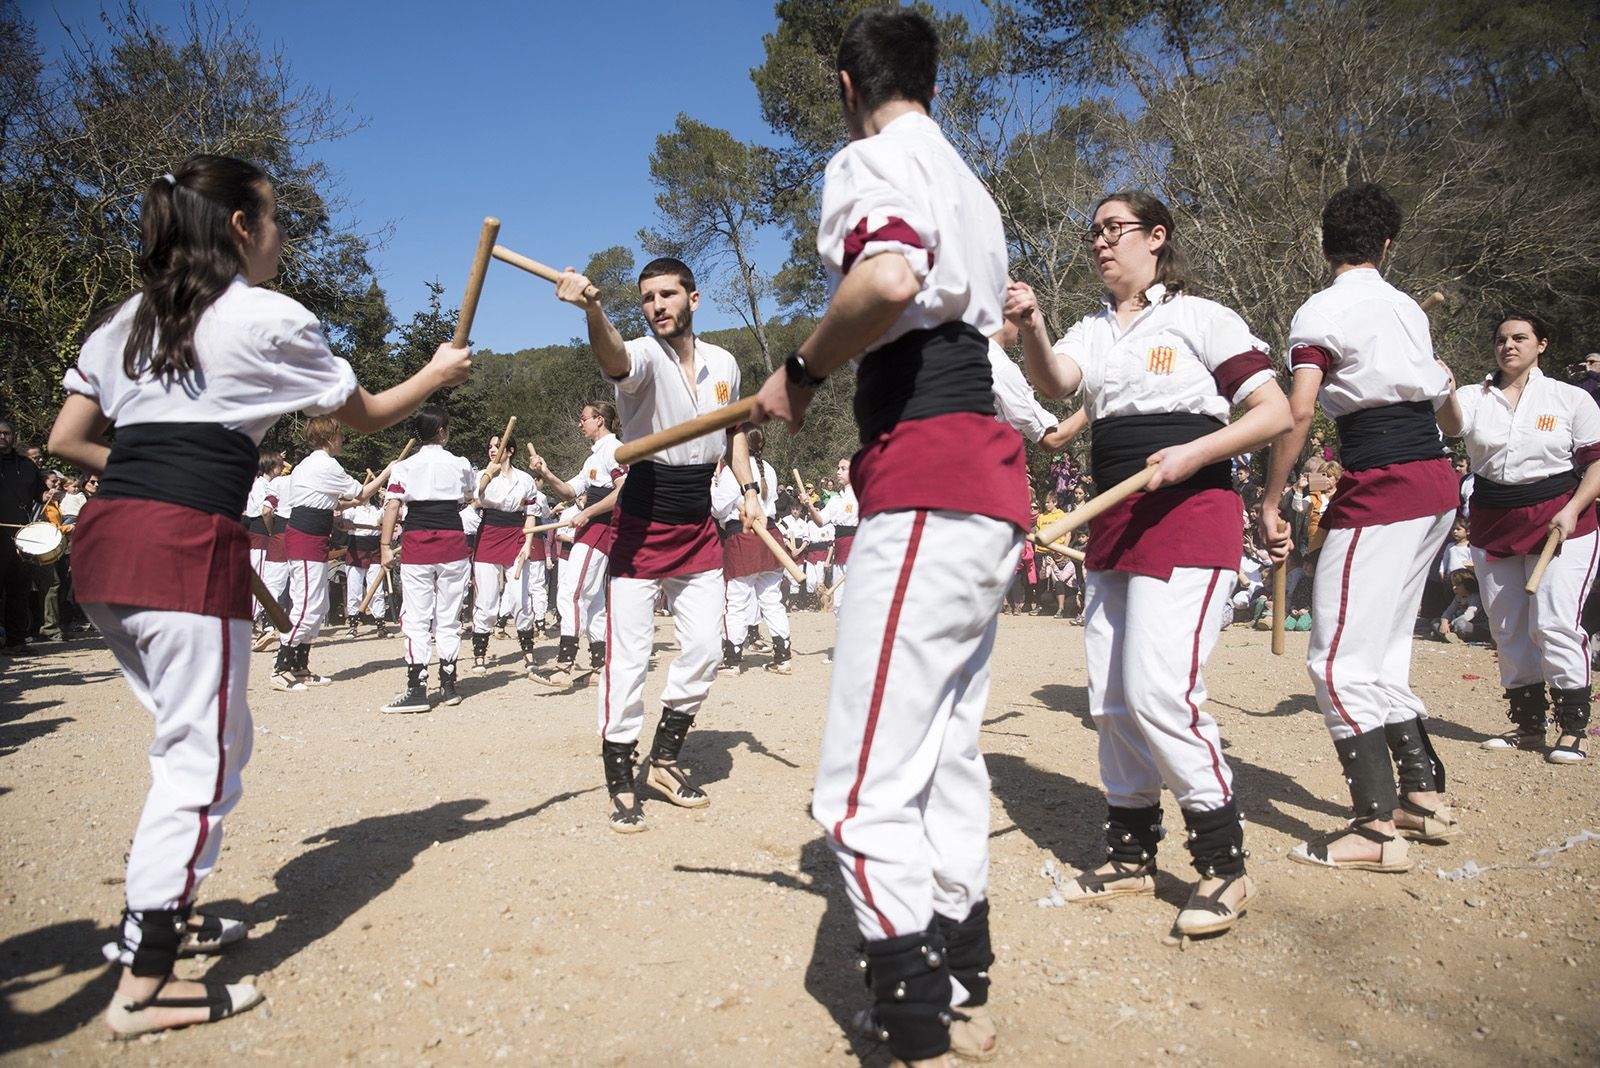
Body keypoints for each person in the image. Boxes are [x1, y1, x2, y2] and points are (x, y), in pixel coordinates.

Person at [45, 154, 469, 1037]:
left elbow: (66, 437)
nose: (281, 235)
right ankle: (146, 981)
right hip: (179, 548)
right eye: (274, 218)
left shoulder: (125, 320)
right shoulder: (268, 316)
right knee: (201, 760)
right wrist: (437, 373)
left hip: (107, 548)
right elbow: (365, 415)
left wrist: (150, 467)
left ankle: (169, 911)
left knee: (191, 741)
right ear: (240, 226)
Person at [750, 11, 1031, 1061]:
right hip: (980, 480)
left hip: (925, 470)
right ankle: (961, 964)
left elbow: (887, 278)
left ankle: (913, 1008)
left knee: (862, 780)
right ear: (933, 80)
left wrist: (803, 370)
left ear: (842, 84)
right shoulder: (969, 180)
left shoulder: (871, 155)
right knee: (945, 746)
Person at [1010, 189, 1289, 937]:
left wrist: (1195, 452)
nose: (1101, 242)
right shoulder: (1093, 329)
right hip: (1114, 523)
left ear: (1157, 236)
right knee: (1108, 696)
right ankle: (1131, 854)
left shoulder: (1202, 317)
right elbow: (1055, 383)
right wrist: (1033, 324)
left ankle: (1224, 865)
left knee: (1161, 690)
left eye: (1115, 229)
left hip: (1190, 516)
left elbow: (1274, 412)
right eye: (1092, 232)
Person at [1262, 183, 1462, 871]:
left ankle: (1375, 830)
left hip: (1384, 483)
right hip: (1437, 481)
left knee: (1336, 659)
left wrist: (1272, 496)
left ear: (1325, 243)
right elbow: (1447, 406)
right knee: (1380, 653)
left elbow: (1299, 410)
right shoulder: (1407, 308)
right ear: (1386, 244)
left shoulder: (1321, 308)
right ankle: (1424, 795)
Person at [554, 256, 761, 833]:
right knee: (630, 657)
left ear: (693, 299)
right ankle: (620, 771)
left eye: (668, 295)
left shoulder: (724, 362)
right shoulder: (643, 356)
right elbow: (614, 358)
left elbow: (735, 427)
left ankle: (664, 759)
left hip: (698, 520)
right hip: (643, 519)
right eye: (647, 299)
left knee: (705, 649)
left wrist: (747, 488)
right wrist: (593, 309)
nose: (657, 307)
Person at [1437, 313, 1600, 763]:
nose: (1508, 345)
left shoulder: (1571, 399)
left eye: (1519, 337)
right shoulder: (1473, 396)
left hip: (1562, 518)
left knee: (1552, 621)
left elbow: (1597, 463)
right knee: (1507, 626)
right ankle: (1528, 726)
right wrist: (1445, 389)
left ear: (1541, 344)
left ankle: (1572, 728)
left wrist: (1571, 508)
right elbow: (1453, 428)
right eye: (1501, 338)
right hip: (1494, 517)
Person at [380, 405, 475, 713]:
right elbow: (470, 494)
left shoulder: (404, 466)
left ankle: (417, 688)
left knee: (417, 615)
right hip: (452, 542)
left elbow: (392, 506)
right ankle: (448, 685)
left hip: (418, 542)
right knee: (449, 615)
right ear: (442, 431)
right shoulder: (460, 463)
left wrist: (384, 545)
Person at [274, 418, 382, 690]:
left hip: (314, 536)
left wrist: (337, 518)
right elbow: (361, 492)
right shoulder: (325, 464)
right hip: (306, 539)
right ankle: (280, 667)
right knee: (307, 604)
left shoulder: (307, 465)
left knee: (318, 604)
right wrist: (388, 472)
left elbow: (333, 502)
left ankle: (300, 667)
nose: (342, 439)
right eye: (339, 434)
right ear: (329, 438)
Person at [529, 402, 622, 686]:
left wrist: (588, 513)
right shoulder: (593, 457)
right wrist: (546, 473)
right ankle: (599, 667)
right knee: (593, 601)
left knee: (570, 592)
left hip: (600, 528)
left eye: (583, 419)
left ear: (600, 420)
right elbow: (570, 490)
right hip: (591, 527)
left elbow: (622, 492)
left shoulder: (614, 449)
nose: (580, 424)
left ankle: (565, 664)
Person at [712, 428, 793, 675]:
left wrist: (715, 486)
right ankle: (783, 655)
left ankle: (733, 659)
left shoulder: (733, 471)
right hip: (770, 535)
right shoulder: (768, 468)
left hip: (743, 534)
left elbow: (716, 508)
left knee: (736, 599)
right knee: (771, 598)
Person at [468, 433, 547, 674]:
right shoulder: (482, 474)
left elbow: (532, 512)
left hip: (516, 536)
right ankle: (479, 655)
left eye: (498, 446)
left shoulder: (524, 479)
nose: (493, 450)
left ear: (509, 451)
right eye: (490, 446)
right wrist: (487, 475)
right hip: (489, 534)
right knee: (488, 600)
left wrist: (527, 544)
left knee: (520, 597)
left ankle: (528, 652)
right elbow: (476, 496)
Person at [0, 418, 46, 652]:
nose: (3, 437)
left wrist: (48, 496)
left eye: (7, 433)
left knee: (19, 590)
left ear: (13, 436)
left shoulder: (27, 466)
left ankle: (16, 642)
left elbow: (40, 493)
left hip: (22, 535)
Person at [341, 487, 387, 637]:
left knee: (377, 588)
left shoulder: (376, 510)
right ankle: (353, 625)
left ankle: (380, 624)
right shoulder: (352, 509)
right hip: (356, 548)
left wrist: (387, 498)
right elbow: (345, 518)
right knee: (354, 588)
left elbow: (384, 516)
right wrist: (346, 521)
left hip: (374, 549)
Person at [1434, 569, 1486, 643]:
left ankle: (1445, 635)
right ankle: (1450, 636)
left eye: (1457, 585)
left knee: (1460, 625)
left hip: (1473, 625)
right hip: (1455, 624)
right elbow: (1448, 612)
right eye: (1453, 585)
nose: (1454, 588)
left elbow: (1468, 616)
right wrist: (1444, 622)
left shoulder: (1476, 597)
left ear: (1467, 584)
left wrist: (1450, 624)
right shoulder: (1458, 597)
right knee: (1436, 622)